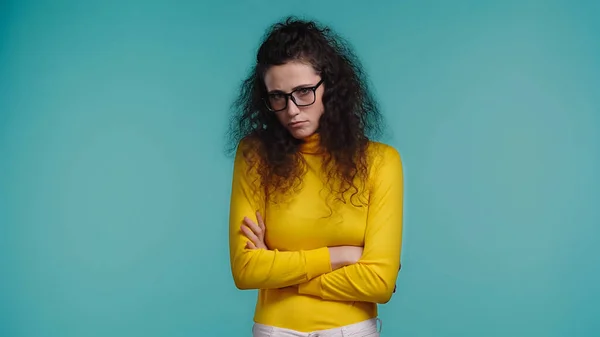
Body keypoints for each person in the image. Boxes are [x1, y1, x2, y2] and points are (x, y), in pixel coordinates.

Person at [226, 16, 404, 337]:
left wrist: (283, 274)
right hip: (276, 330)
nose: (292, 109)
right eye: (277, 96)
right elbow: (246, 270)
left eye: (304, 91)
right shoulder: (255, 155)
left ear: (330, 88)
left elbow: (379, 282)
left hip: (352, 331)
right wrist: (342, 256)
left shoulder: (381, 161)